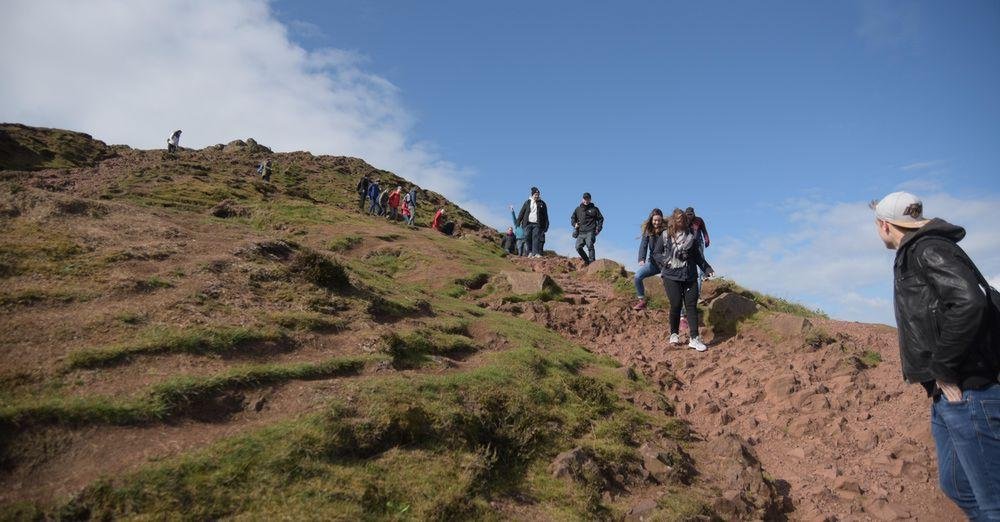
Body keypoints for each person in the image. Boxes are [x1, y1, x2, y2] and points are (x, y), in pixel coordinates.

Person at [872, 191, 1000, 519]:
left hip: (968, 391)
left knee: (992, 503)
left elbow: (969, 302)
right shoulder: (922, 250)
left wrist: (943, 369)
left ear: (884, 225)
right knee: (956, 485)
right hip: (949, 396)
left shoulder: (927, 249)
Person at [655, 208, 714, 352]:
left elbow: (698, 256)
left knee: (691, 306)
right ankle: (674, 333)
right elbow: (656, 253)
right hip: (671, 276)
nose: (681, 222)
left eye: (683, 220)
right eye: (678, 220)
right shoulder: (665, 236)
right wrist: (665, 261)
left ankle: (694, 339)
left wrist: (707, 269)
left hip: (689, 276)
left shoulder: (691, 237)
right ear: (674, 221)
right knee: (675, 304)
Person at [633, 208, 664, 311]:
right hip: (653, 263)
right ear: (651, 219)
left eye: (659, 220)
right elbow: (643, 245)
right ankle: (642, 301)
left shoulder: (666, 231)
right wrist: (641, 258)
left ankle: (677, 310)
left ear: (662, 220)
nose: (657, 222)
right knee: (637, 276)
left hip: (665, 264)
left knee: (670, 285)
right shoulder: (648, 231)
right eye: (655, 220)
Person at [571, 192, 604, 266]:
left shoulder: (595, 209)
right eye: (585, 198)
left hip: (591, 231)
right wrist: (574, 224)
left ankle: (592, 263)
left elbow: (601, 219)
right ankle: (587, 261)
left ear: (590, 199)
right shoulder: (578, 209)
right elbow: (573, 218)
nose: (586, 200)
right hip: (581, 232)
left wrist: (598, 229)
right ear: (582, 199)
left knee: (590, 245)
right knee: (578, 247)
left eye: (588, 199)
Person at [516, 187, 549, 258]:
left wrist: (546, 225)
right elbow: (522, 212)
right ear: (532, 195)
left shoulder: (542, 203)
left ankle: (535, 253)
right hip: (527, 223)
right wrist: (518, 222)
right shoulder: (527, 202)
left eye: (538, 194)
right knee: (527, 237)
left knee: (535, 238)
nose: (537, 196)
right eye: (535, 194)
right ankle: (529, 252)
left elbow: (546, 215)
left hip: (537, 224)